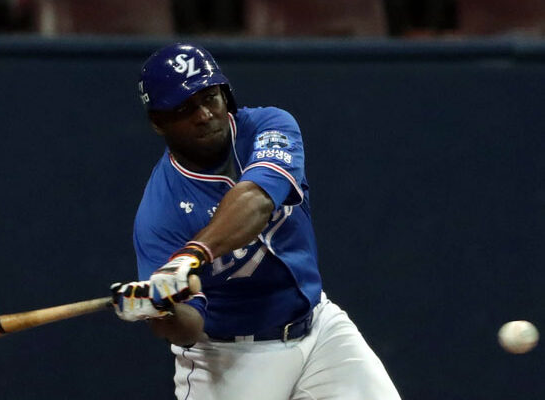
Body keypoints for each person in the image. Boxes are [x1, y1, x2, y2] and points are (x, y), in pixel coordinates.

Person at [110, 43, 401, 400]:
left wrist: (191, 255)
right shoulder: (159, 213)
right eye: (185, 108)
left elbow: (256, 201)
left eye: (210, 97)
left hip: (319, 328)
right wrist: (161, 310)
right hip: (228, 359)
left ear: (225, 95)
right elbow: (188, 329)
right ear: (159, 122)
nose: (204, 115)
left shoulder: (269, 126)